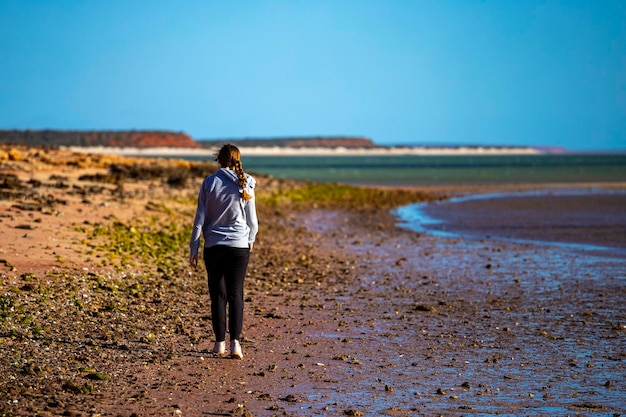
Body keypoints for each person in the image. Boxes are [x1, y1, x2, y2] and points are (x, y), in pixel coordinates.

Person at [189, 144, 258, 359]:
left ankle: (219, 343)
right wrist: (250, 240)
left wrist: (194, 247)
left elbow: (199, 219)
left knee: (218, 295)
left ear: (218, 160)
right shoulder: (246, 182)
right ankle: (235, 344)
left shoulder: (209, 183)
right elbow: (252, 221)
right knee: (236, 293)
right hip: (239, 246)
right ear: (238, 158)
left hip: (214, 247)